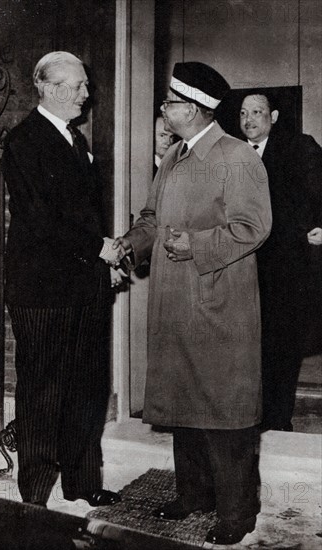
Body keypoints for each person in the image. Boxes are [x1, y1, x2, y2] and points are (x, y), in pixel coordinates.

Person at [115, 62, 272, 545]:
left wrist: (197, 245)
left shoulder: (238, 159)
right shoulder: (173, 158)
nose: (163, 112)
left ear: (196, 110)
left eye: (170, 104)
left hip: (219, 305)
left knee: (224, 411)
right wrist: (129, 244)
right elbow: (150, 217)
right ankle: (194, 495)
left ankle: (237, 512)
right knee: (185, 404)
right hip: (174, 303)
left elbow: (254, 227)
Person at [1, 51, 124, 508]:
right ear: (51, 89)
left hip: (84, 286)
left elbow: (84, 216)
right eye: (78, 86)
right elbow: (39, 219)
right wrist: (99, 248)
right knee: (43, 391)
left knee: (87, 386)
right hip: (42, 292)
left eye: (85, 86)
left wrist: (102, 260)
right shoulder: (24, 141)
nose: (86, 94)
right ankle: (34, 495)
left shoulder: (77, 141)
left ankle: (82, 481)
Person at [240, 92, 322, 431]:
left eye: (257, 112)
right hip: (242, 268)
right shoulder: (229, 154)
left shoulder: (298, 148)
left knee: (281, 349)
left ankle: (277, 422)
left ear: (272, 116)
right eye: (243, 113)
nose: (249, 119)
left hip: (285, 270)